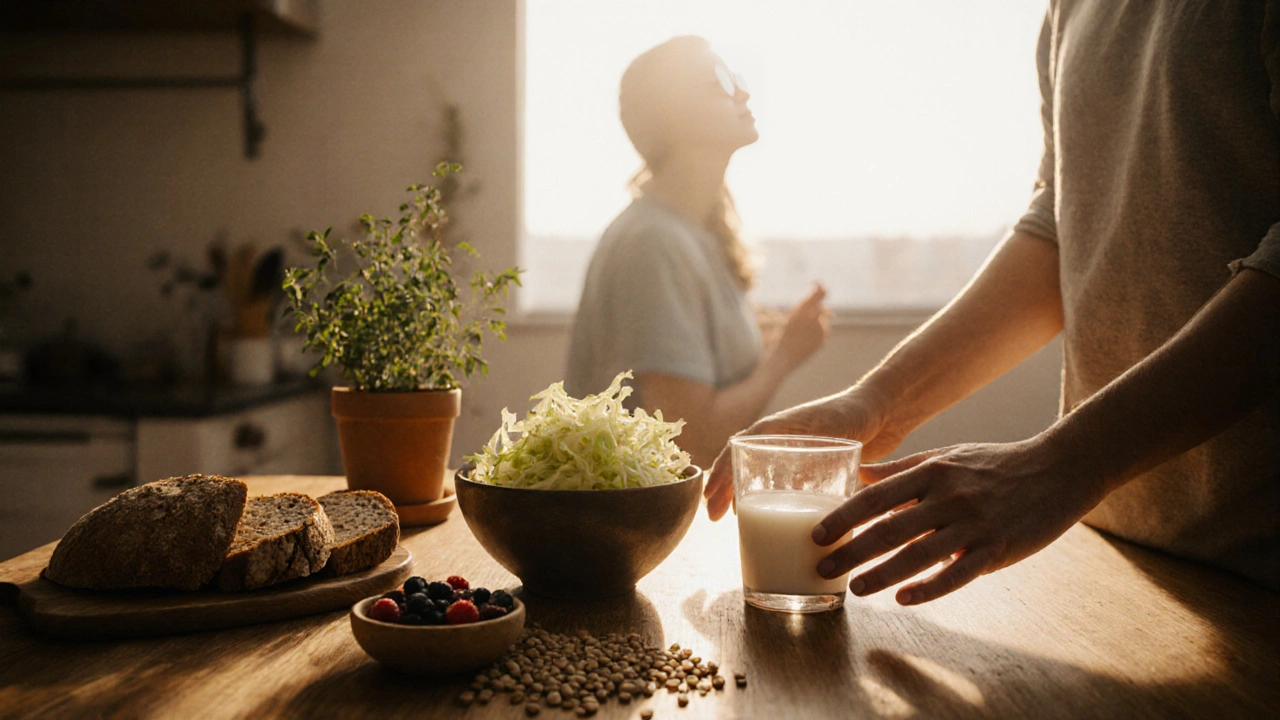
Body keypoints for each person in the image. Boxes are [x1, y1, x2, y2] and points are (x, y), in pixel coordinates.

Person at [705, 0, 1280, 604]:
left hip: (1256, 560)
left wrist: (1067, 463)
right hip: (1121, 548)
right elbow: (1062, 224)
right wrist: (879, 403)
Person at [565, 36, 830, 469]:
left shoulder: (692, 235)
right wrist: (785, 357)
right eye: (718, 82)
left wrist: (769, 346)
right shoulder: (654, 243)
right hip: (621, 526)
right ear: (669, 113)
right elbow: (694, 443)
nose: (742, 91)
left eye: (737, 78)